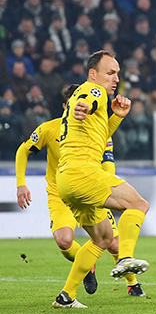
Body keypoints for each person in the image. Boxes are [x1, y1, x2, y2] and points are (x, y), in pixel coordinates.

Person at [16, 84, 145, 298]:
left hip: (91, 186)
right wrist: (21, 183)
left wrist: (104, 184)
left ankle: (132, 284)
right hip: (61, 194)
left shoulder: (98, 130)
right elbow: (24, 149)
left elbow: (108, 163)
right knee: (64, 241)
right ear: (65, 106)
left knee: (112, 242)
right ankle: (86, 267)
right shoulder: (50, 128)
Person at [53, 50, 150, 308]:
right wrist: (85, 106)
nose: (116, 78)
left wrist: (115, 118)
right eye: (110, 72)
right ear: (93, 74)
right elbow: (86, 101)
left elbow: (98, 135)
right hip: (84, 172)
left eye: (118, 73)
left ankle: (66, 296)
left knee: (102, 239)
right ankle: (127, 257)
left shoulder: (89, 99)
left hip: (66, 180)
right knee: (139, 205)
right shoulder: (91, 91)